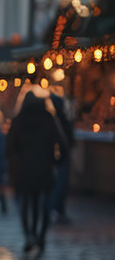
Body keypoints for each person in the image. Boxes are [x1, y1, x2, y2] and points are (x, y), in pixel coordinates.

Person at [7, 86, 69, 254]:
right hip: (45, 168)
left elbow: (9, 146)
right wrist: (56, 161)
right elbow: (62, 144)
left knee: (26, 204)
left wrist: (13, 163)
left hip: (23, 169)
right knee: (43, 206)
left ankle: (29, 236)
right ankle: (40, 237)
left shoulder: (19, 119)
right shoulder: (48, 117)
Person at [48, 87, 75, 224]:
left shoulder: (55, 119)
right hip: (59, 157)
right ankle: (56, 210)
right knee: (58, 185)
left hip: (59, 156)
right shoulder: (59, 120)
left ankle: (56, 210)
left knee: (58, 184)